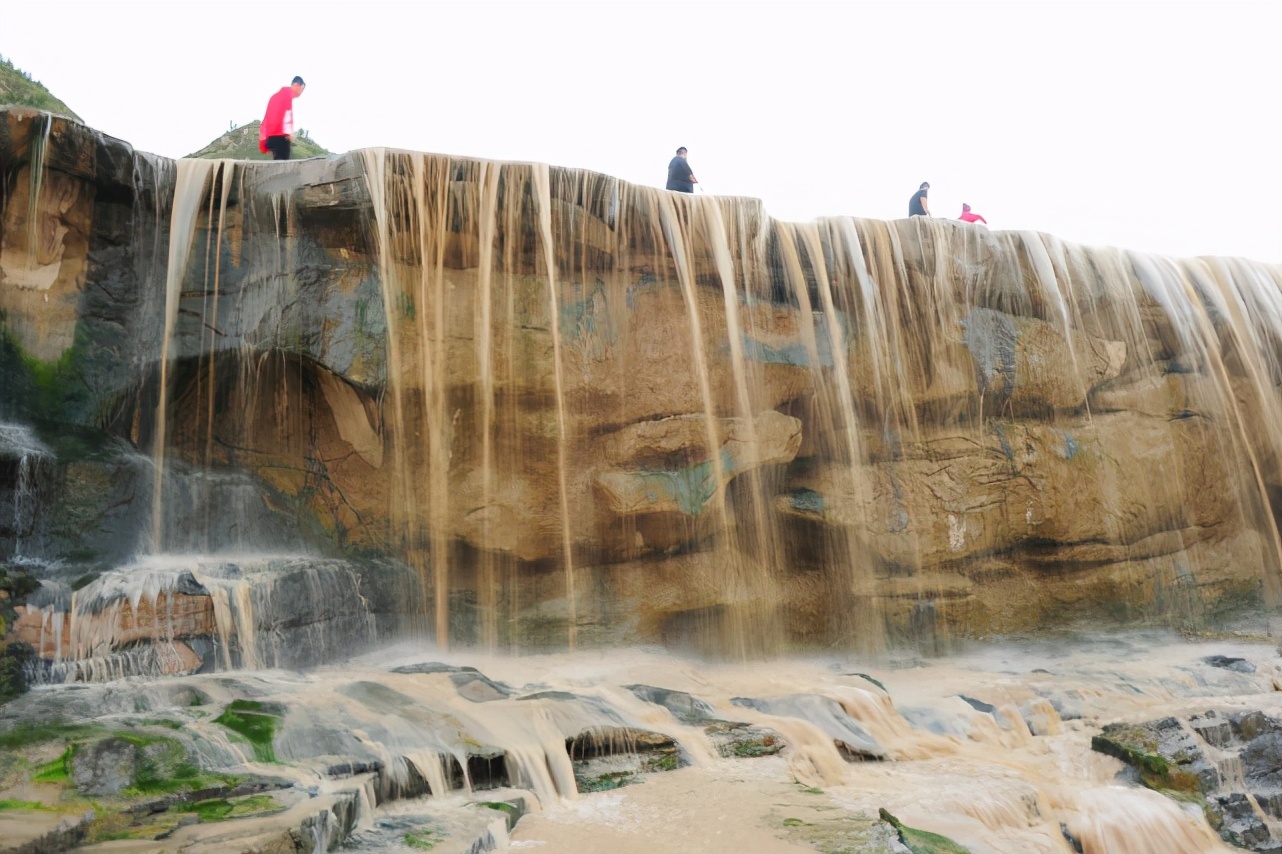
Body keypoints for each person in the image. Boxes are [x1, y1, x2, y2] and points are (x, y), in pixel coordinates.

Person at [259, 76, 306, 160]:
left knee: (276, 162)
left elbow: (266, 119)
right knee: (284, 167)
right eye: (301, 89)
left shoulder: (274, 97)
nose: (301, 93)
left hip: (270, 139)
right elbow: (287, 115)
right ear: (296, 85)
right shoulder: (287, 95)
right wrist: (289, 134)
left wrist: (263, 142)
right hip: (280, 138)